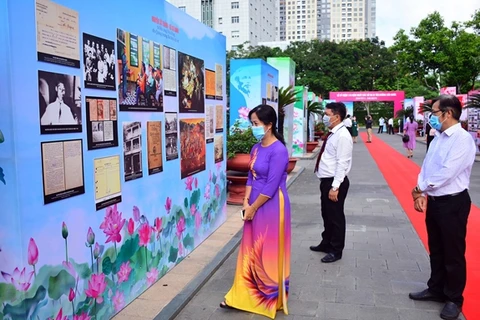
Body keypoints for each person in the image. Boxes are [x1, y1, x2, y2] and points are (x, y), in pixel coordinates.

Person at [409, 95, 476, 320]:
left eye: (435, 113)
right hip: (435, 201)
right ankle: (436, 288)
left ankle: (454, 298)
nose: (431, 117)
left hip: (453, 202)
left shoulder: (462, 139)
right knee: (436, 248)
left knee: (453, 252)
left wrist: (420, 188)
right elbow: (427, 166)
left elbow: (447, 172)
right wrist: (421, 191)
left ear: (448, 113)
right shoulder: (438, 137)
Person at [221, 104, 291, 319]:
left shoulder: (279, 150)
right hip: (252, 202)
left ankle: (268, 297)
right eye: (252, 123)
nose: (253, 127)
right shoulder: (256, 147)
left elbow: (271, 185)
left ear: (269, 125)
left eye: (256, 124)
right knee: (249, 247)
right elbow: (251, 176)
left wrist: (253, 207)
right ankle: (245, 293)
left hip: (271, 205)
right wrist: (245, 201)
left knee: (267, 247)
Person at [310, 102, 353, 263]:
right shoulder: (333, 133)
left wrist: (335, 187)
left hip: (335, 182)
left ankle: (336, 249)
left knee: (335, 217)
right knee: (326, 214)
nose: (325, 117)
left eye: (327, 114)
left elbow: (342, 163)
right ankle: (326, 242)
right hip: (326, 181)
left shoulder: (343, 136)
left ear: (336, 116)